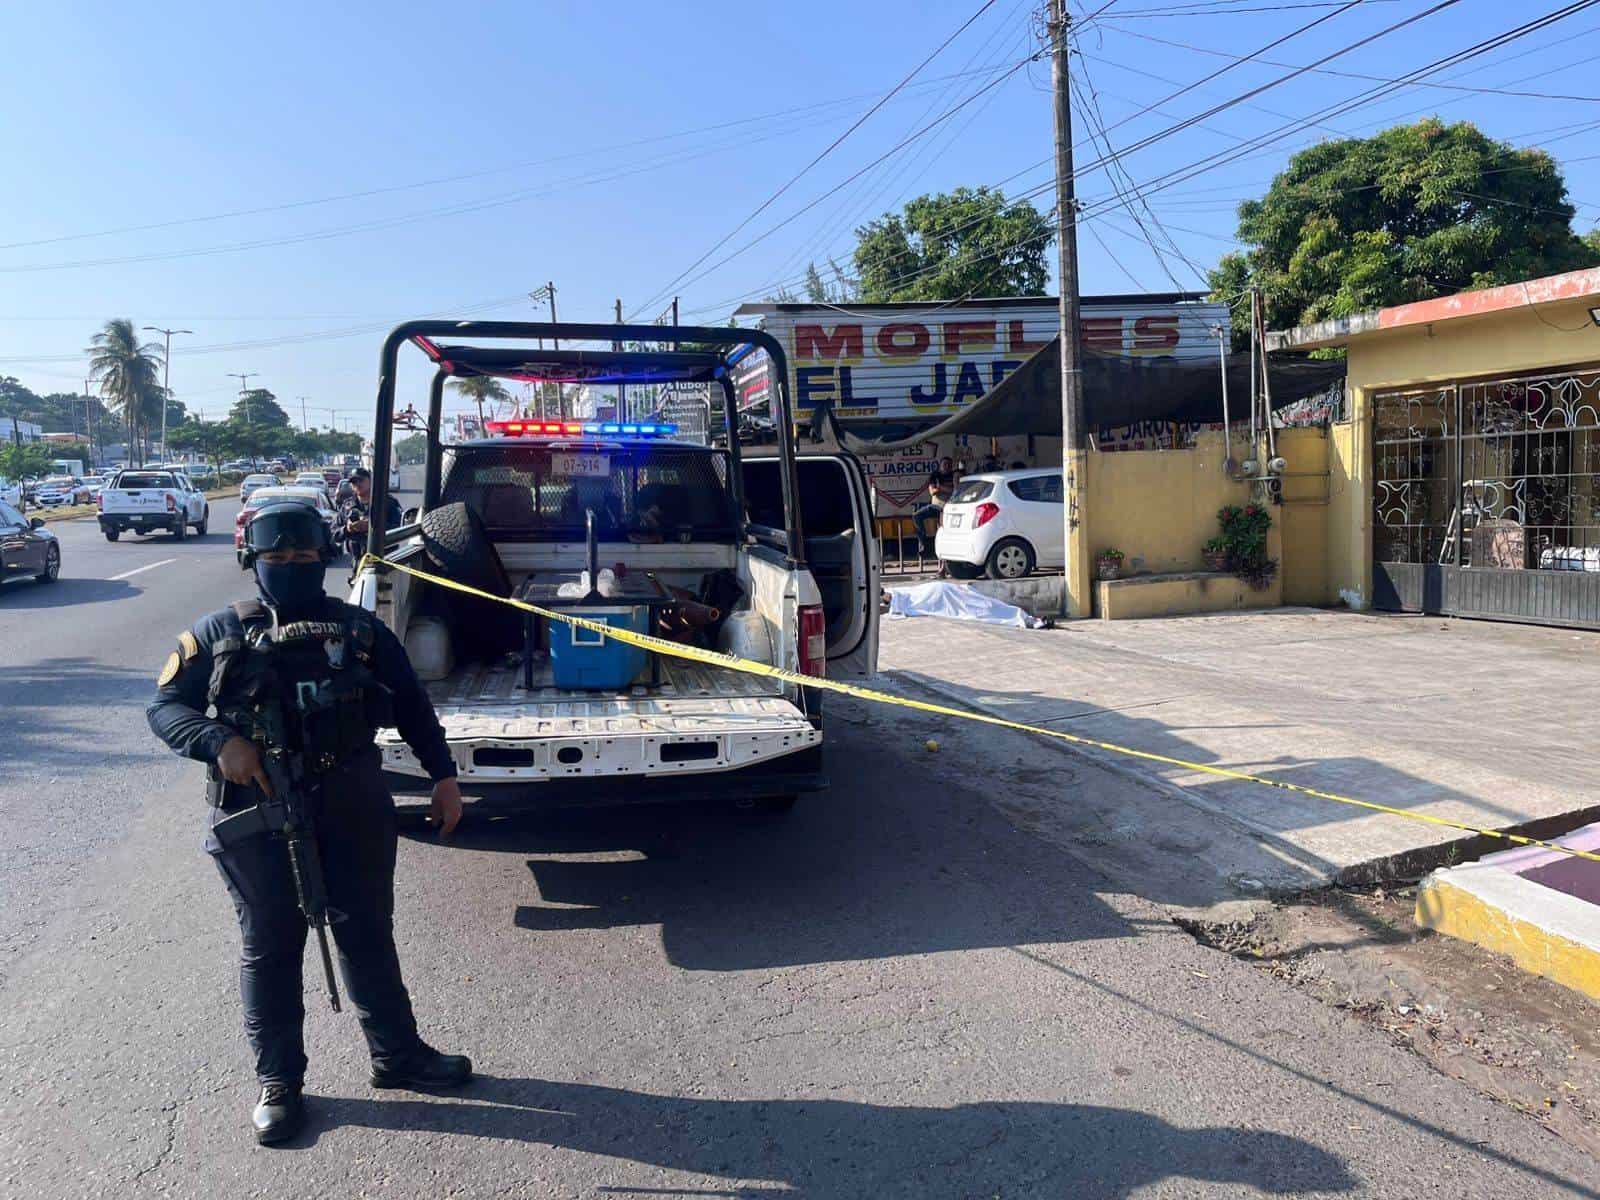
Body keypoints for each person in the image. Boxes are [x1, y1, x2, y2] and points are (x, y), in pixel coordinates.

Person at [147, 502, 470, 1145]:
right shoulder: (215, 634)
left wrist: (443, 776)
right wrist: (218, 741)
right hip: (255, 811)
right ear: (252, 561)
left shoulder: (359, 631)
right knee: (270, 948)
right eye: (278, 558)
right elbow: (164, 708)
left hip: (352, 802)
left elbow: (410, 702)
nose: (293, 568)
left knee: (368, 933)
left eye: (304, 557)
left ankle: (398, 1056)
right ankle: (280, 1083)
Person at [334, 466, 404, 562]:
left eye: (361, 480)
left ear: (371, 481)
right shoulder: (347, 506)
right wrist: (347, 529)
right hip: (358, 562)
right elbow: (334, 535)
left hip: (385, 561)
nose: (358, 484)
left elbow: (401, 529)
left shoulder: (388, 503)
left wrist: (373, 527)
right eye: (354, 482)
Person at [911, 456, 958, 562]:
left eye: (949, 465)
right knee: (916, 516)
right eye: (944, 464)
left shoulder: (954, 475)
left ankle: (947, 559)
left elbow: (954, 491)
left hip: (948, 508)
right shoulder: (935, 475)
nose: (947, 467)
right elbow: (932, 491)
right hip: (935, 506)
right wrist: (944, 489)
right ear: (940, 465)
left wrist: (940, 487)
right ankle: (924, 541)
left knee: (944, 533)